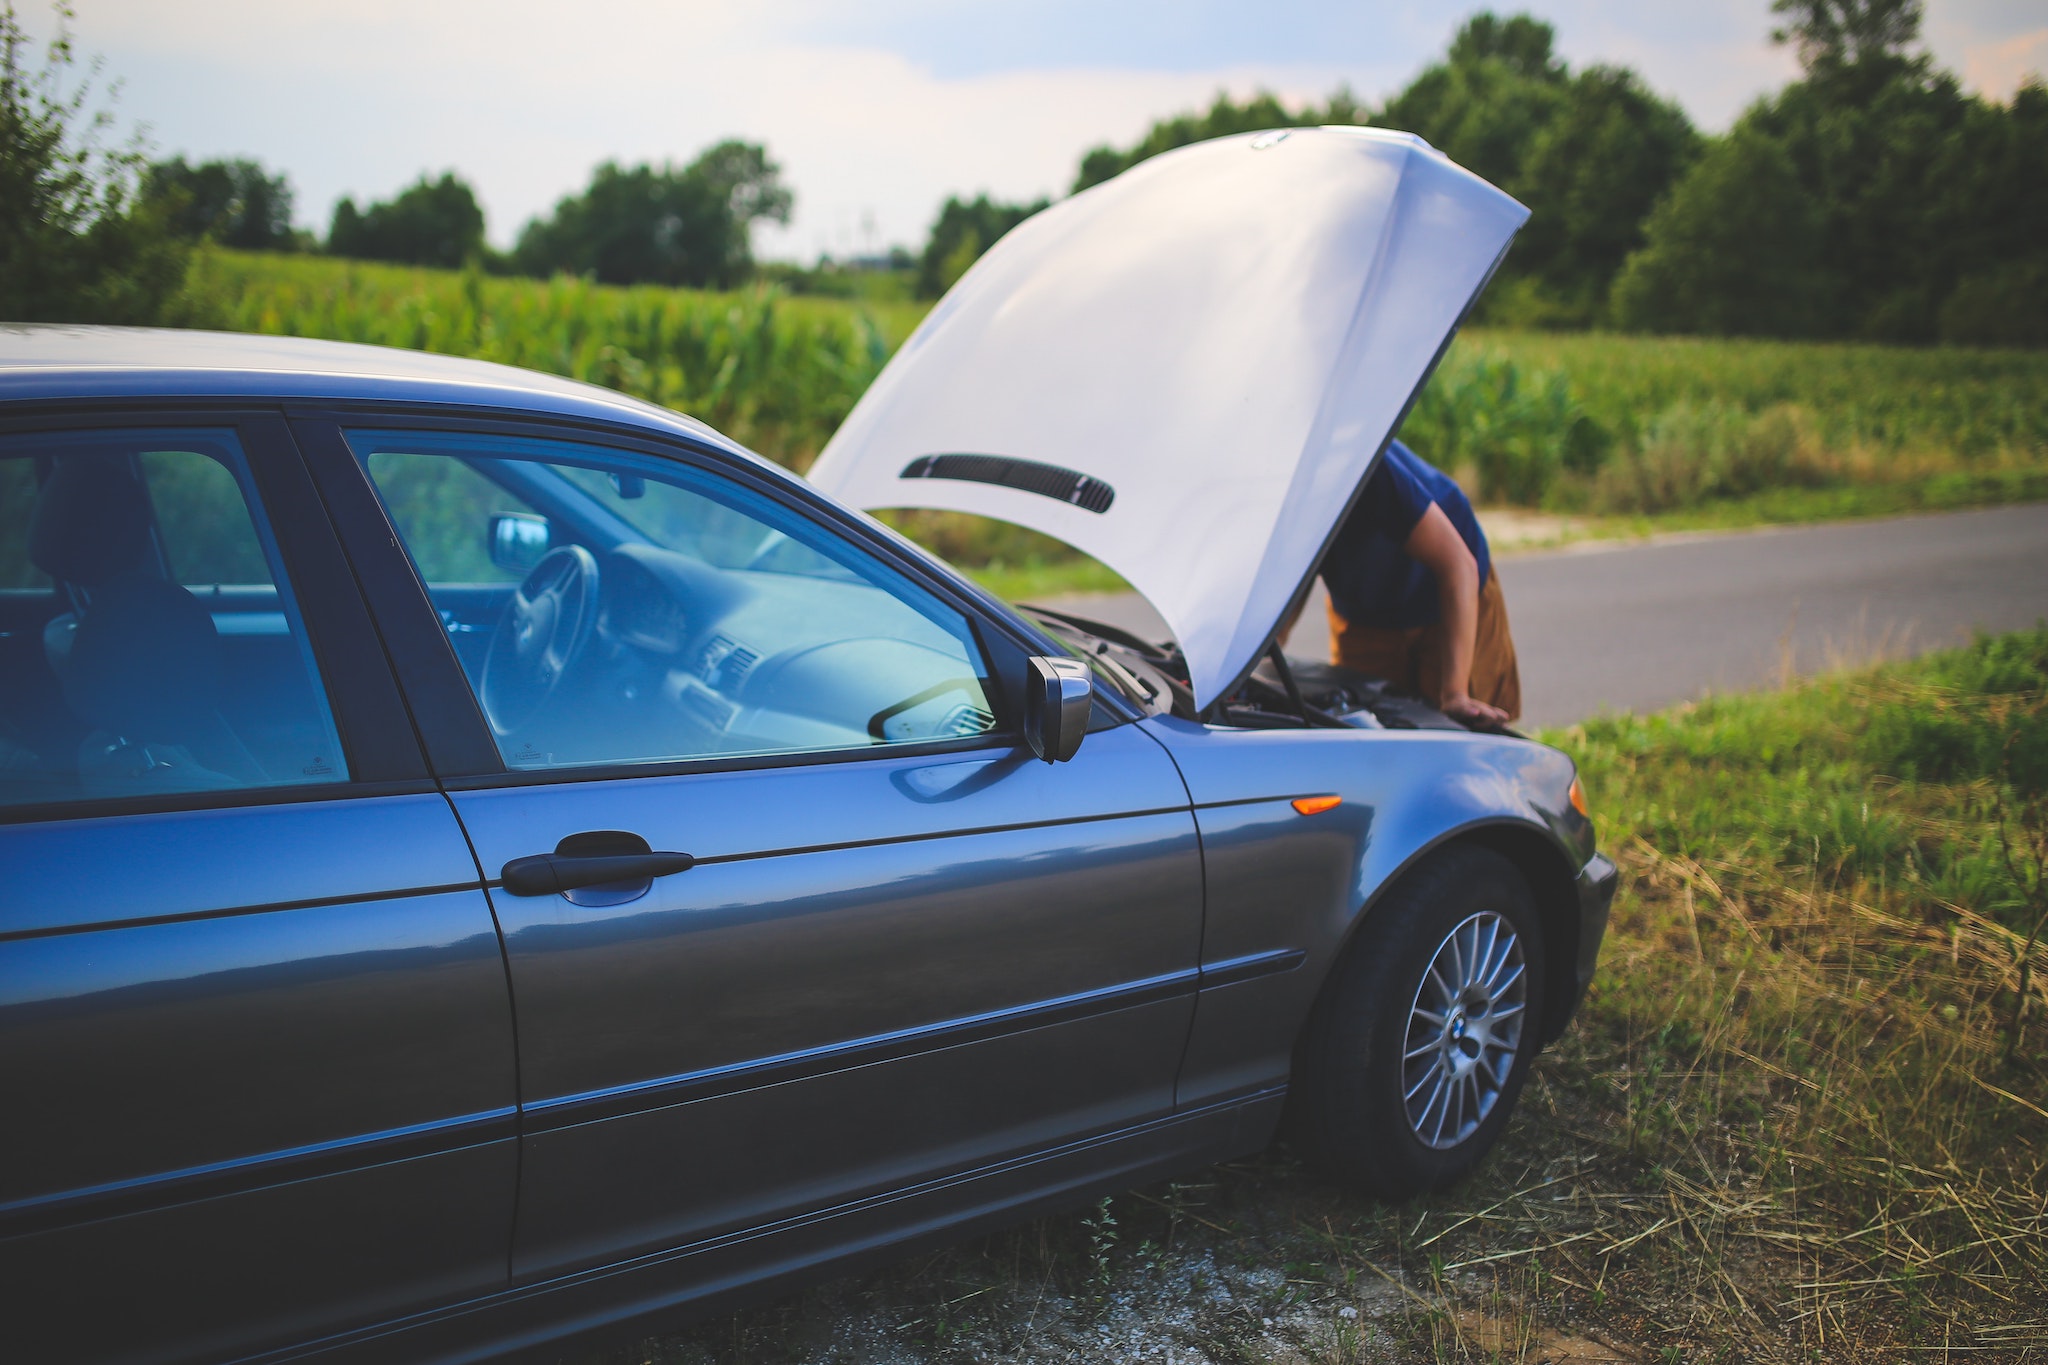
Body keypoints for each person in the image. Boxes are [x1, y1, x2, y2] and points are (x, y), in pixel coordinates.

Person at [1292, 439, 1521, 727]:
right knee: (1366, 728)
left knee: (1459, 728)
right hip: (1364, 608)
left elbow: (1458, 567)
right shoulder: (1269, 492)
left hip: (1449, 592)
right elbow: (1288, 583)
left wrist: (1455, 692)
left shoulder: (1361, 462)